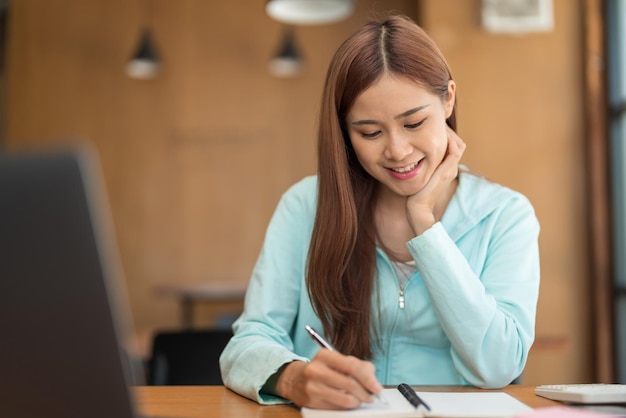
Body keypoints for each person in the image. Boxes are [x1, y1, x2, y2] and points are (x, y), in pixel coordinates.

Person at [219, 14, 540, 410]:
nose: (397, 150)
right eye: (369, 132)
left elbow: (498, 366)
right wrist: (293, 378)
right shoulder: (305, 206)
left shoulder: (505, 215)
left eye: (414, 122)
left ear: (448, 99)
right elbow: (245, 345)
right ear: (345, 133)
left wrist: (424, 224)